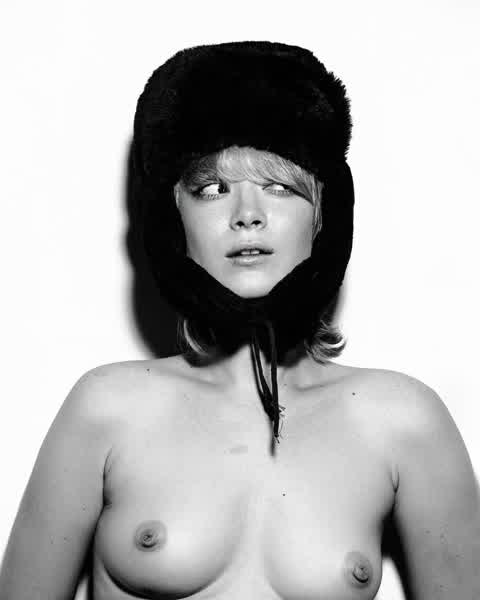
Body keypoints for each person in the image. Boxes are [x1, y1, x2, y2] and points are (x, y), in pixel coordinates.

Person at [1, 40, 479, 600]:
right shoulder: (107, 407)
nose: (247, 214)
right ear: (172, 220)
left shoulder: (404, 422)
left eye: (279, 187)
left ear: (324, 216)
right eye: (212, 189)